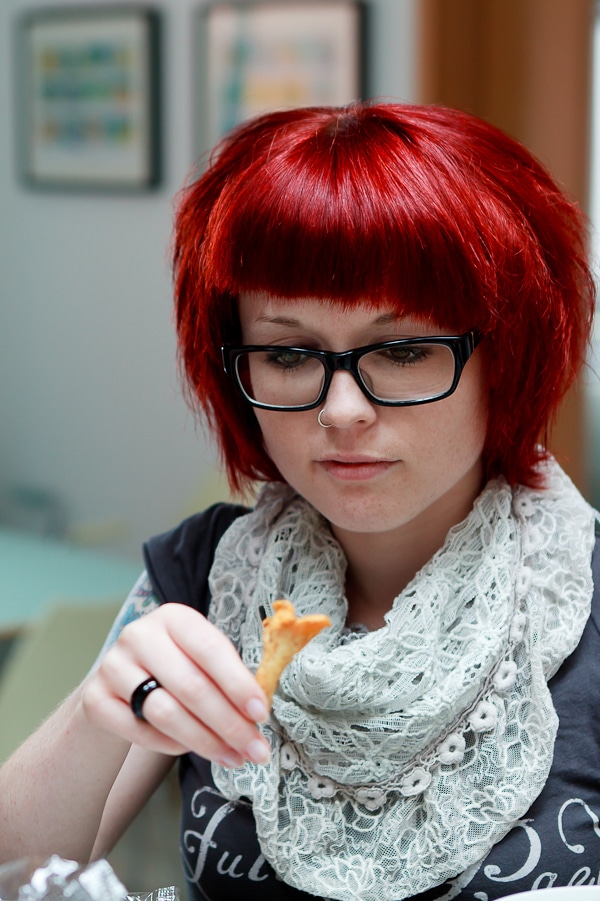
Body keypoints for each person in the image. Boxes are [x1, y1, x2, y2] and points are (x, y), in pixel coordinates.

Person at [0, 101, 598, 901]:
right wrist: (92, 714)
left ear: (507, 355)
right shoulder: (205, 576)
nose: (343, 410)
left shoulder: (585, 600)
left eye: (406, 348)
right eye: (288, 352)